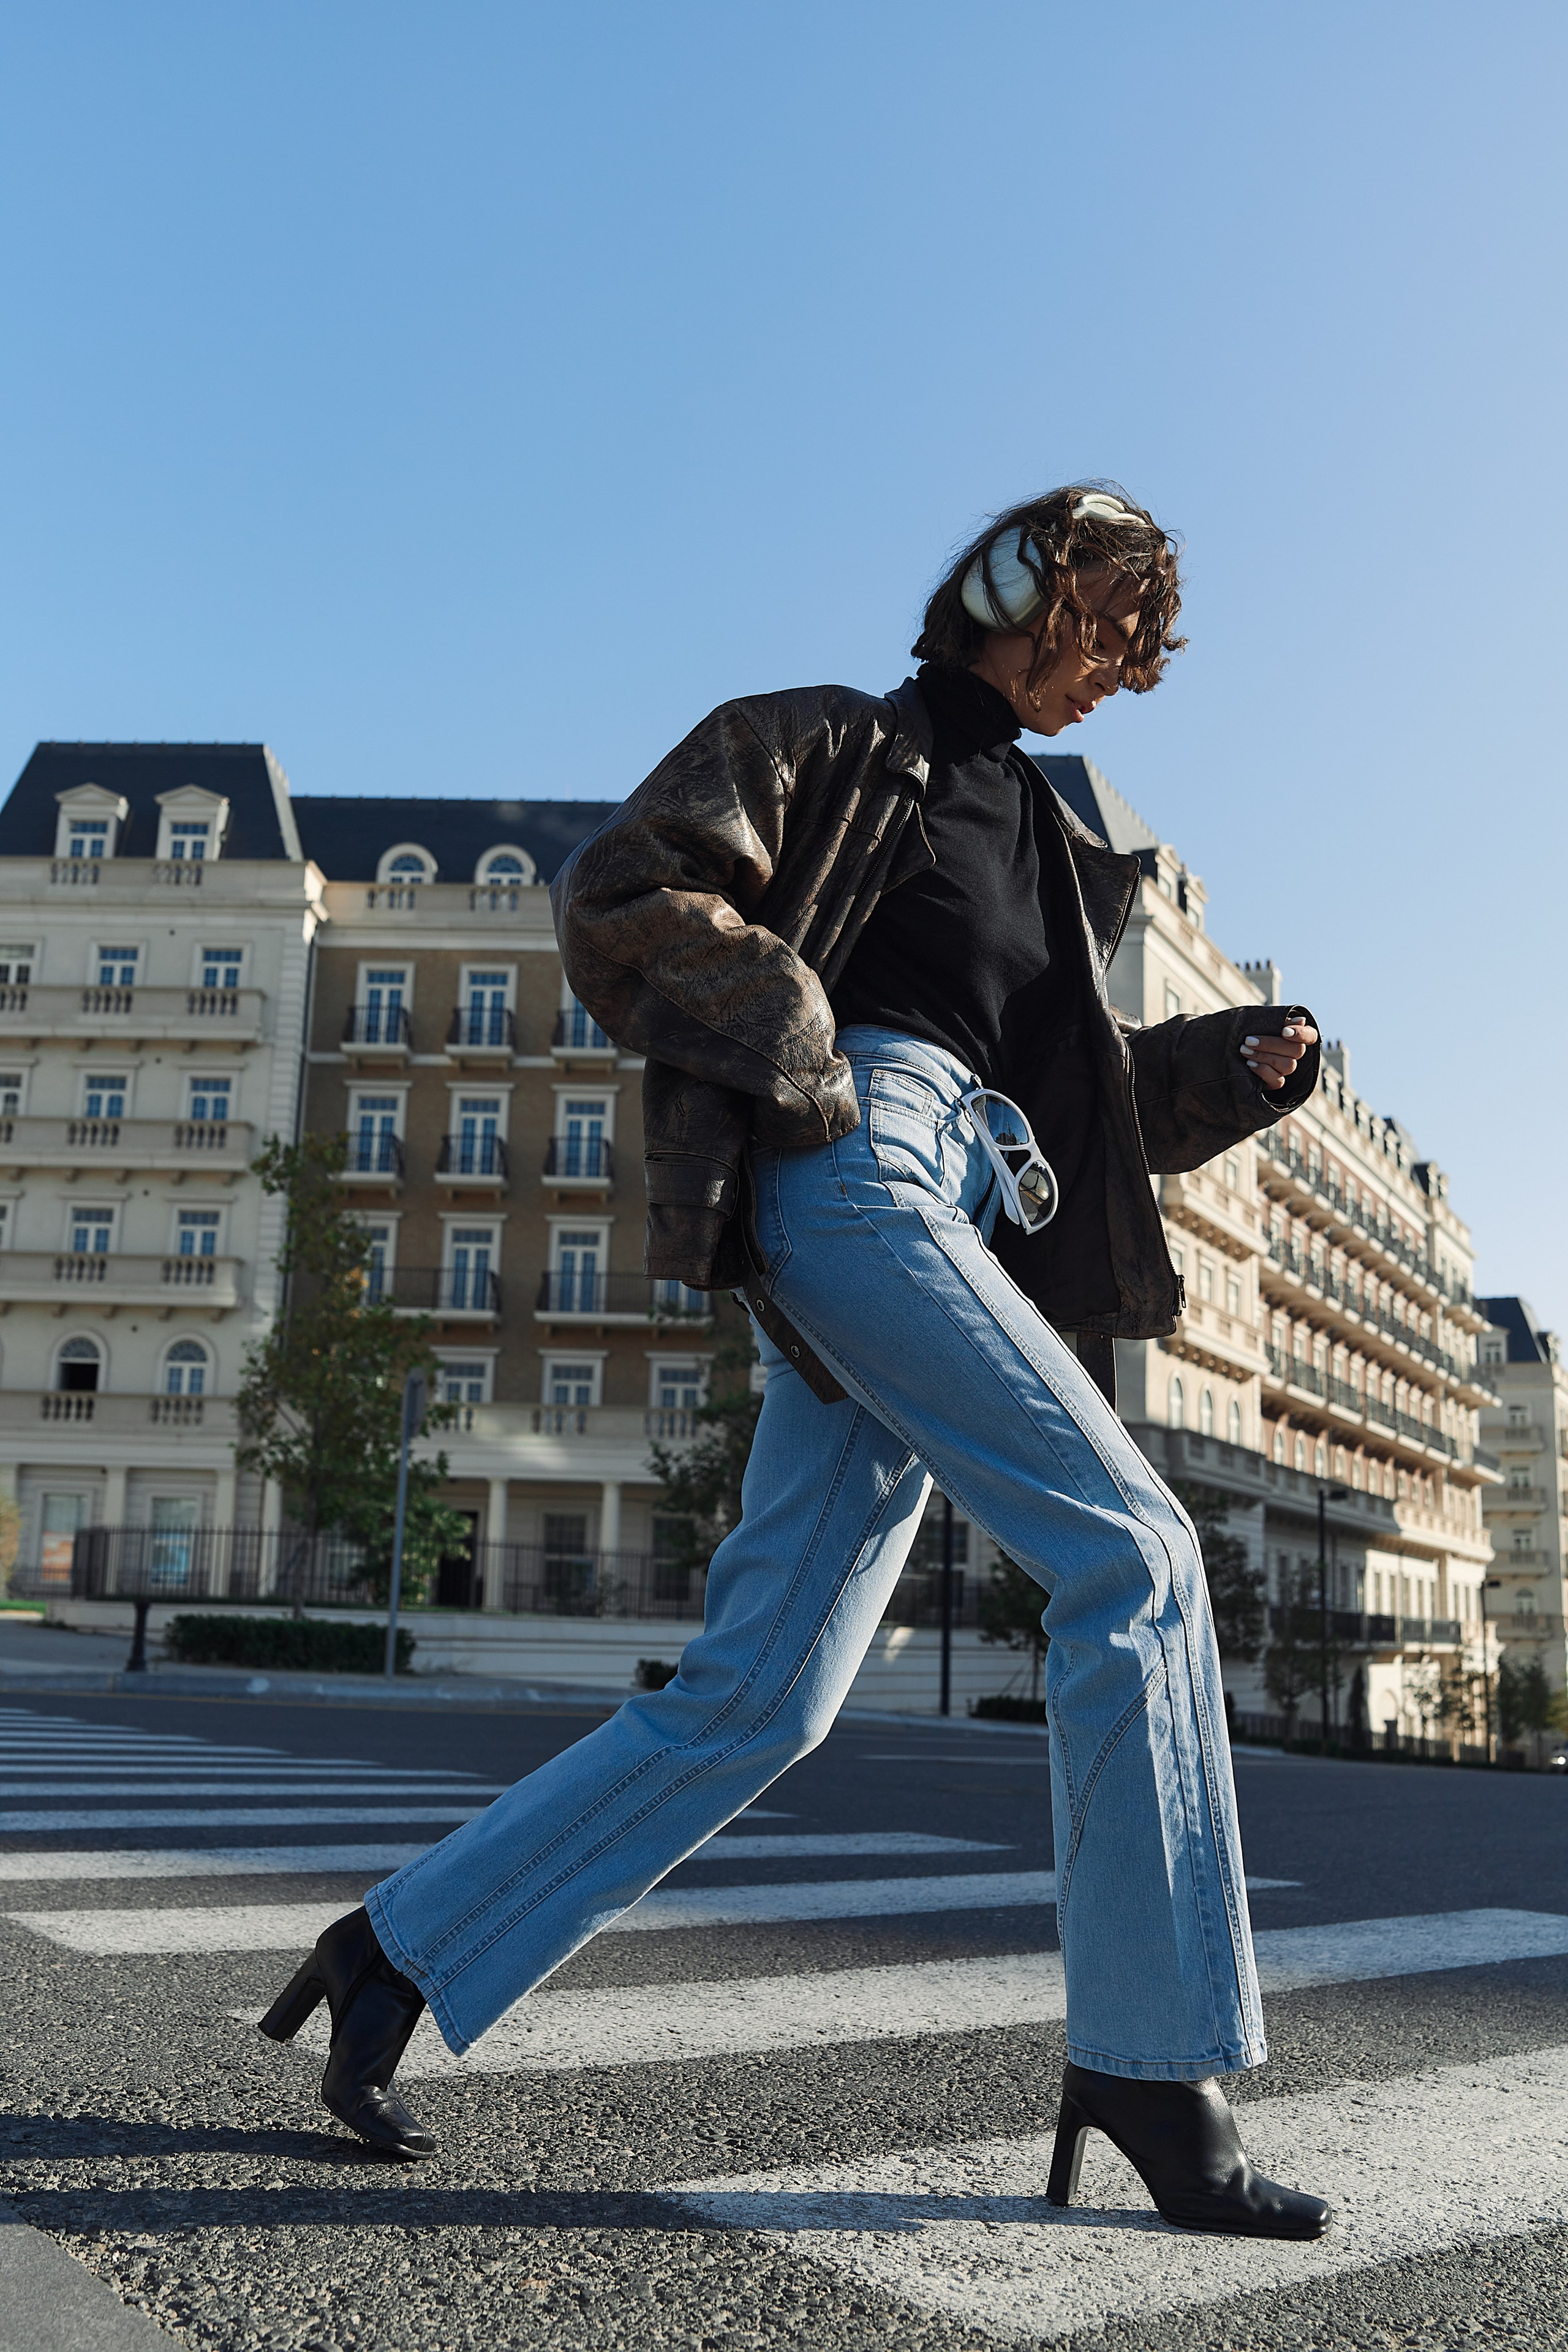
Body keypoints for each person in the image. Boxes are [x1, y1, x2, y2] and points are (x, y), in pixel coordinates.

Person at [258, 484, 1332, 2239]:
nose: (1112, 675)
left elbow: (1080, 1094)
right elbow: (630, 886)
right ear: (1020, 587)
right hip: (864, 1172)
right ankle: (1153, 2060)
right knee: (1134, 1555)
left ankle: (396, 1949)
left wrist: (1230, 1069)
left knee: (771, 1690)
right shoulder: (833, 743)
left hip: (972, 1206)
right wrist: (805, 1045)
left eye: (1137, 655)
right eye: (1104, 630)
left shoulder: (1052, 851)